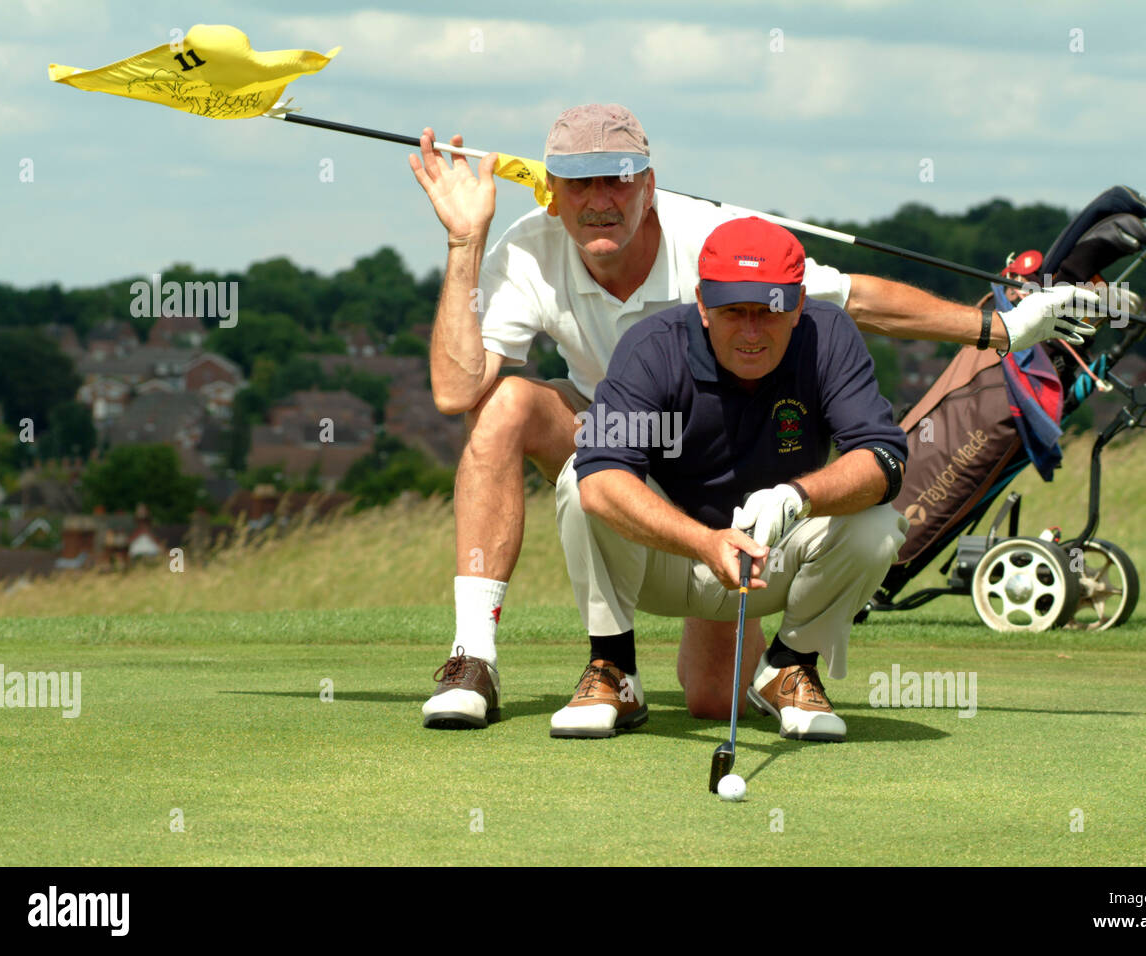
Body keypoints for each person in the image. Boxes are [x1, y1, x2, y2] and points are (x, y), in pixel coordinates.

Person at [408, 103, 1093, 731]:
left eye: (618, 180)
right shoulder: (529, 247)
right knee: (505, 408)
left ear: (648, 183)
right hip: (621, 442)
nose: (600, 201)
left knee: (715, 701)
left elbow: (853, 300)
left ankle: (784, 663)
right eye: (580, 184)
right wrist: (465, 242)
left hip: (727, 462)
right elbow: (452, 389)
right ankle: (481, 658)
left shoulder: (712, 242)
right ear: (552, 193)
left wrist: (993, 331)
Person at [551, 215, 905, 740]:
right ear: (702, 303)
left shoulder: (829, 335)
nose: (751, 331)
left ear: (799, 302)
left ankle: (790, 665)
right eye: (733, 311)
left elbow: (883, 458)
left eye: (769, 311)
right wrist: (704, 542)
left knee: (877, 521)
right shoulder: (651, 346)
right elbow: (603, 478)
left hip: (770, 561)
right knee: (579, 481)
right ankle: (614, 669)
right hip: (668, 558)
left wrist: (799, 495)